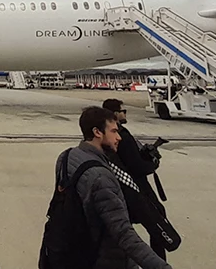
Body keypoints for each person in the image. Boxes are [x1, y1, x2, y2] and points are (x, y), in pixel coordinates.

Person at [57, 106, 171, 269]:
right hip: (103, 258)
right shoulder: (101, 177)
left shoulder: (66, 157)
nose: (119, 137)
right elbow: (124, 235)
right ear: (97, 132)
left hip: (71, 250)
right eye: (114, 131)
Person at [103, 98, 169, 259]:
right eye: (122, 111)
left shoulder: (108, 135)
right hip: (137, 188)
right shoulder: (122, 136)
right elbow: (136, 166)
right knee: (157, 219)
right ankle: (157, 260)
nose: (125, 114)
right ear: (114, 114)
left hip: (120, 188)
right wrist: (153, 164)